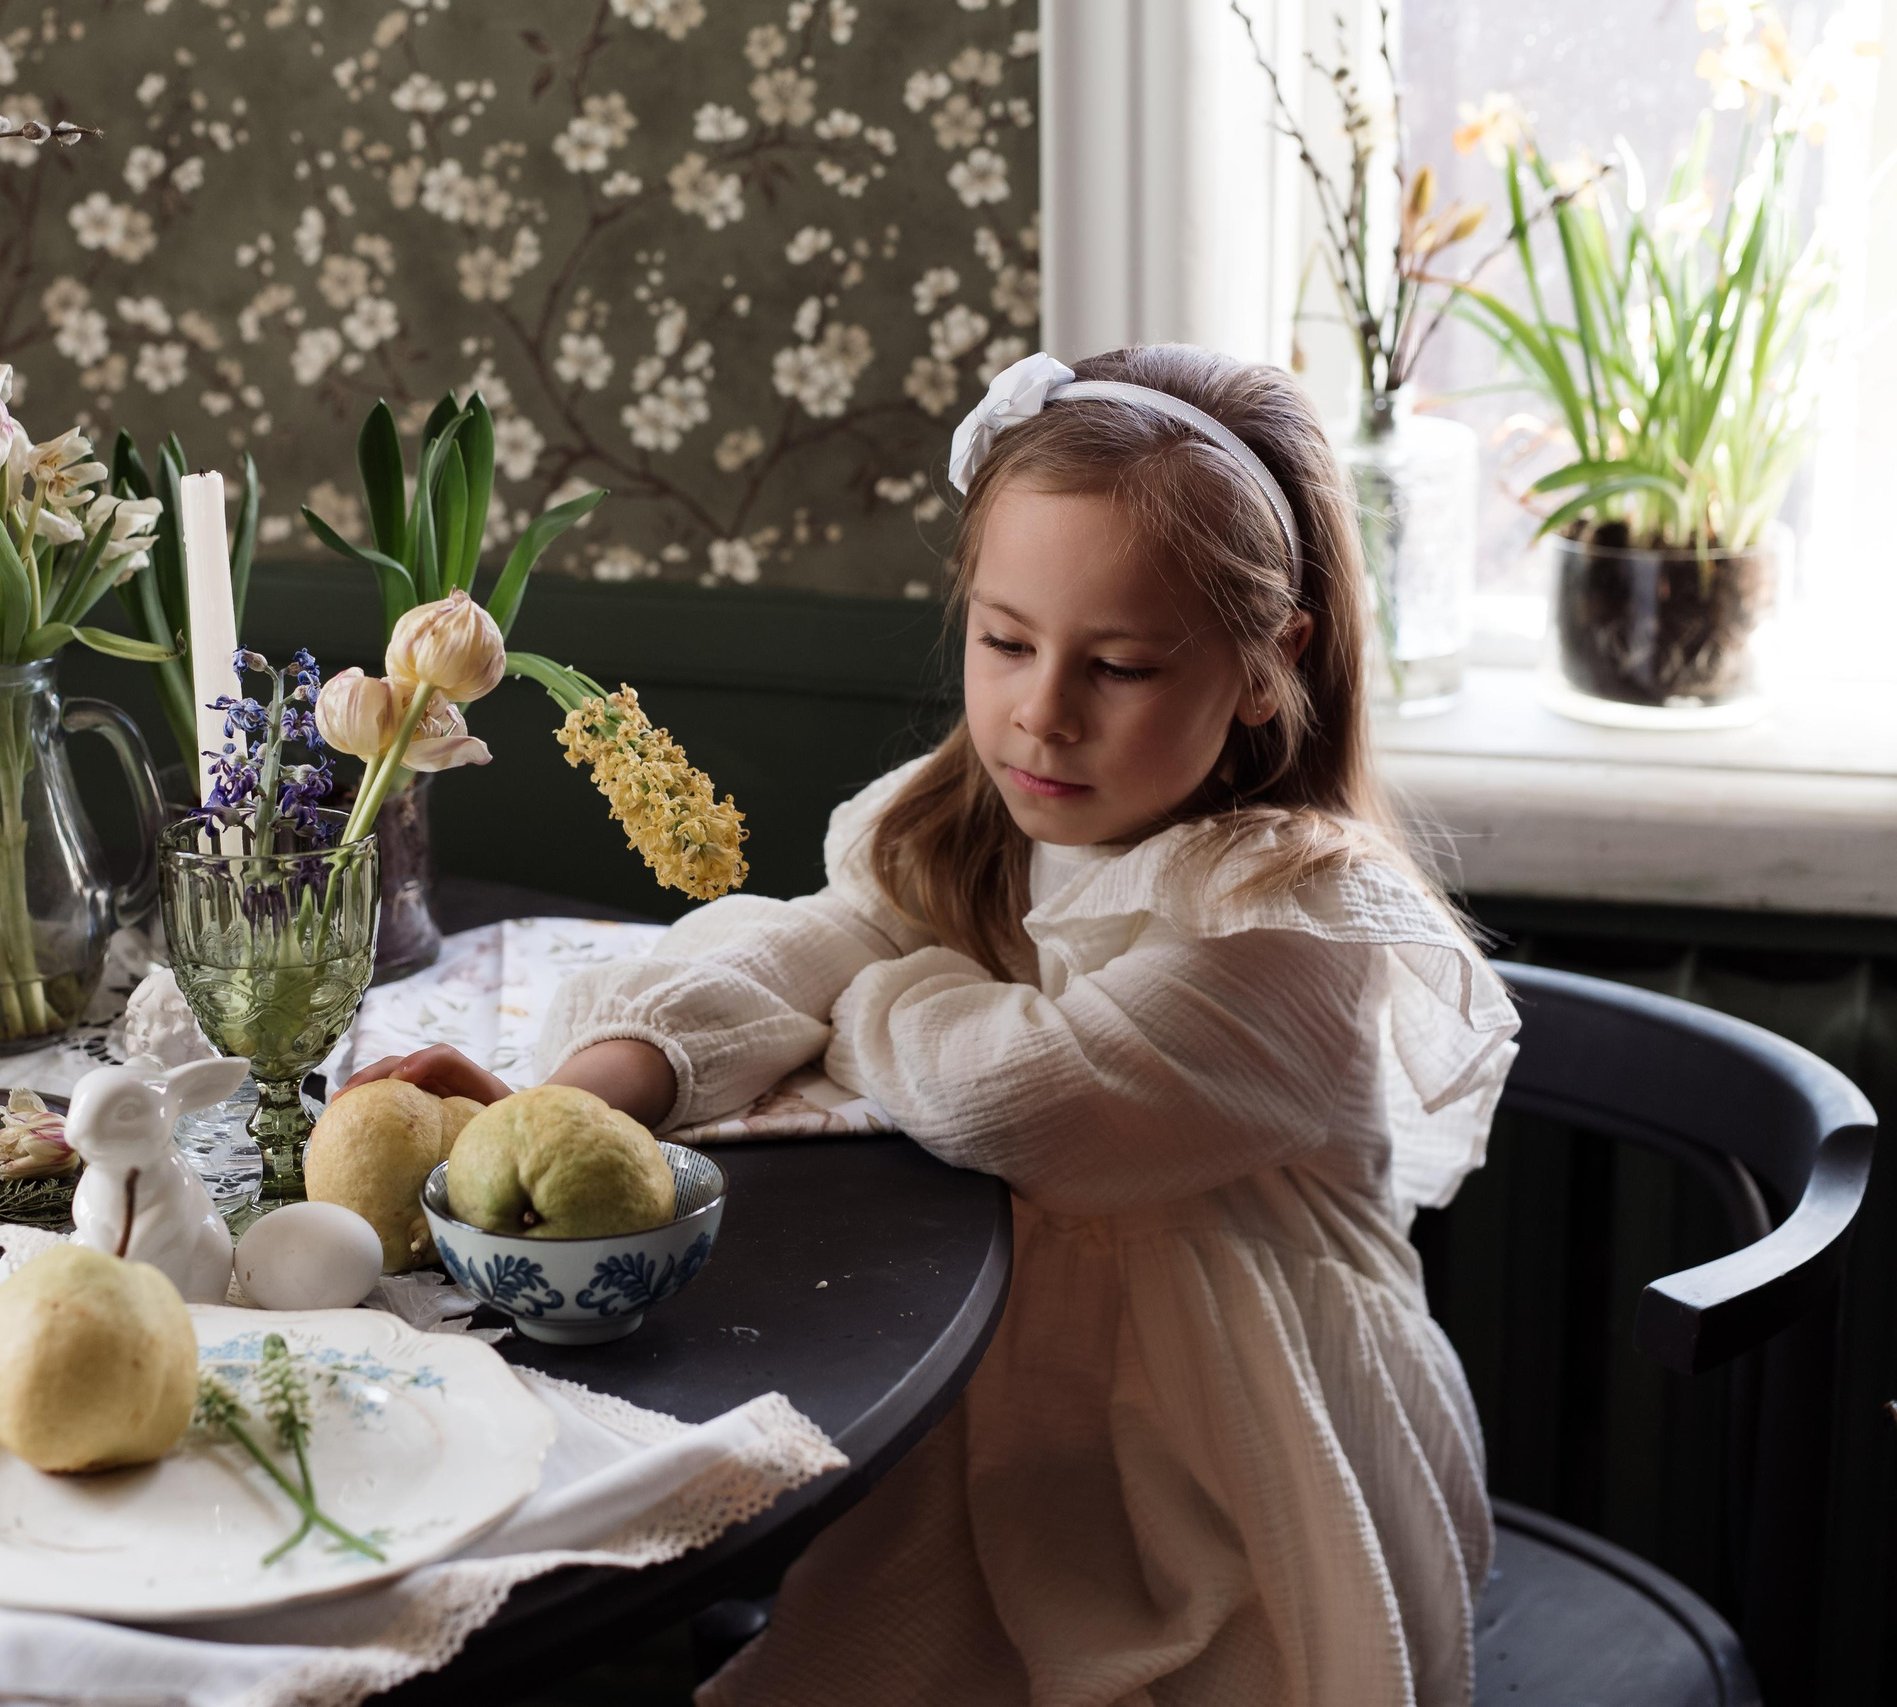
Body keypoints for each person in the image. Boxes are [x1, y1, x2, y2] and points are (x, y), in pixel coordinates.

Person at [344, 344, 1520, 1707]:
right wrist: (594, 1093)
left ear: (1268, 668)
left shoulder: (1291, 915)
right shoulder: (980, 809)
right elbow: (791, 939)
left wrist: (869, 989)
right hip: (1004, 1415)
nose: (1043, 711)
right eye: (1006, 641)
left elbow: (1028, 1099)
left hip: (1245, 1459)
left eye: (1122, 667)